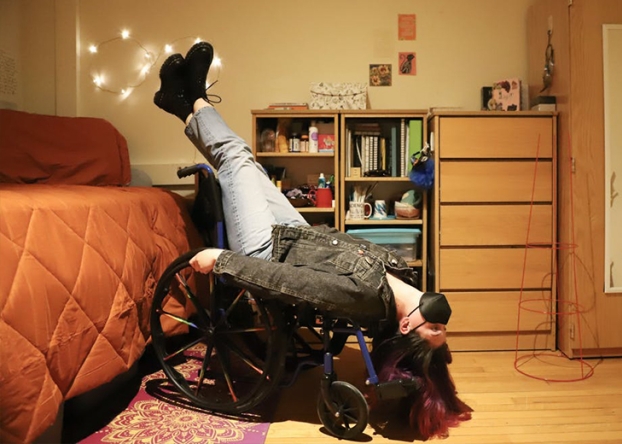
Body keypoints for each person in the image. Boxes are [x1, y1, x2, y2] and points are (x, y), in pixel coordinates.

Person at [153, 41, 472, 439]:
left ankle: (191, 101)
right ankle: (184, 101)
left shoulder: (366, 298)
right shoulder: (401, 274)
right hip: (298, 236)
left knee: (235, 157)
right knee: (250, 162)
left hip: (267, 253)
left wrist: (222, 259)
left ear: (407, 325)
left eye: (435, 331)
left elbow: (290, 283)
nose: (443, 321)